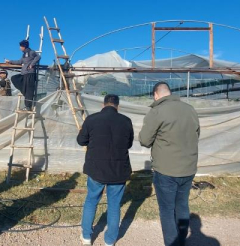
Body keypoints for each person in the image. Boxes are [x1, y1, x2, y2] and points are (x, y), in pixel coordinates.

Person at [139, 82, 200, 246]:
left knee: (166, 210)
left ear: (156, 95)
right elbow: (197, 134)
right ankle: (181, 241)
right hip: (189, 168)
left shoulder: (157, 111)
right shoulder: (190, 109)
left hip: (166, 170)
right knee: (182, 205)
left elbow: (144, 140)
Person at [77, 94, 134, 246]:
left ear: (103, 105)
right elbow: (129, 144)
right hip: (118, 170)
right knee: (114, 205)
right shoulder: (126, 121)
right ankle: (110, 241)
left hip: (96, 169)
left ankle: (86, 237)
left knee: (91, 200)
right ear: (118, 106)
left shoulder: (92, 119)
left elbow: (80, 140)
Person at [5, 39, 40, 110]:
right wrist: (10, 61)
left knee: (29, 90)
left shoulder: (31, 52)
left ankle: (28, 106)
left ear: (24, 46)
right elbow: (19, 61)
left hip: (30, 73)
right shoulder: (24, 55)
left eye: (20, 46)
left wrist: (32, 64)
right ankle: (24, 92)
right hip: (24, 74)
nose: (20, 48)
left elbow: (38, 57)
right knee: (14, 78)